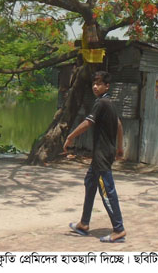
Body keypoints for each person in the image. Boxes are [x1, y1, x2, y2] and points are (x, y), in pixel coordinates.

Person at [64, 70, 126, 243]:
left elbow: (87, 123)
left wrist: (70, 137)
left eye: (99, 84)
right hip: (105, 153)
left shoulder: (101, 103)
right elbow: (119, 125)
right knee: (90, 182)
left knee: (107, 191)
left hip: (101, 156)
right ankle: (84, 223)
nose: (95, 86)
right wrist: (120, 148)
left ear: (107, 86)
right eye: (93, 83)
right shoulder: (109, 103)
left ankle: (119, 229)